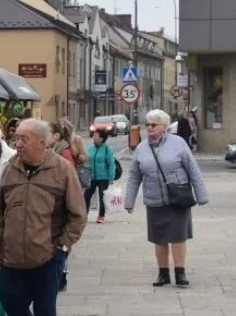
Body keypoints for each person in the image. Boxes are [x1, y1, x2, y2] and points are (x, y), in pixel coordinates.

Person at [0, 119, 86, 316]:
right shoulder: (10, 169)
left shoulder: (62, 170)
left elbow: (78, 215)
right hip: (11, 255)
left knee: (45, 312)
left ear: (43, 144)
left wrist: (63, 246)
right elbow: (3, 213)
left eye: (24, 139)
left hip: (47, 254)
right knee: (10, 301)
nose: (17, 143)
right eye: (16, 138)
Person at [125, 110, 209, 288]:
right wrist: (129, 201)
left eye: (153, 125)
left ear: (164, 126)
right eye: (147, 124)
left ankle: (180, 272)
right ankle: (163, 273)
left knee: (178, 237)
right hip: (154, 199)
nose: (149, 128)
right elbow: (134, 176)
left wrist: (201, 195)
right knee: (160, 238)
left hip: (178, 197)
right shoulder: (142, 148)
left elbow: (193, 169)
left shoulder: (178, 143)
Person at [85, 128, 116, 223]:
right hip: (92, 177)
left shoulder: (107, 149)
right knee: (86, 196)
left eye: (95, 136)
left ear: (101, 138)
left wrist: (111, 177)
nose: (93, 137)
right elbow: (86, 161)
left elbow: (111, 164)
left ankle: (101, 216)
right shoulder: (90, 148)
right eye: (93, 135)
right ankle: (84, 215)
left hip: (103, 177)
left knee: (102, 196)